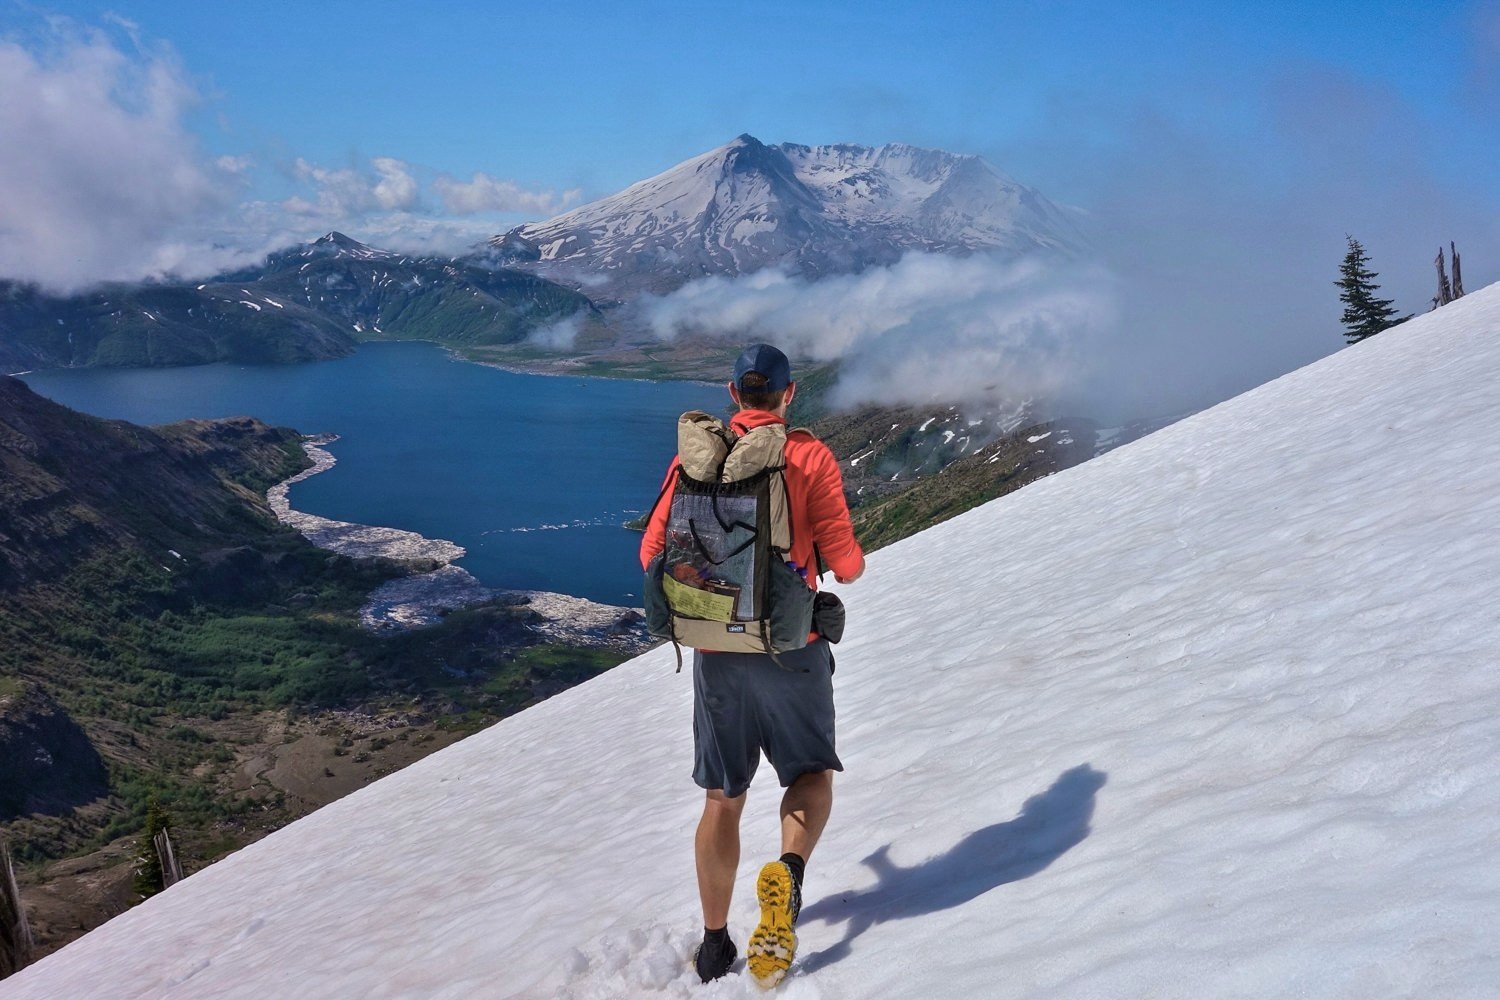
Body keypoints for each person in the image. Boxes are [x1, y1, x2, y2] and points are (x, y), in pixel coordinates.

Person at [639, 343, 866, 987]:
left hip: (715, 649)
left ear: (733, 393)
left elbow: (652, 554)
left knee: (722, 798)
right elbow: (845, 563)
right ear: (788, 395)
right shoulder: (808, 456)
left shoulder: (695, 460)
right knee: (811, 772)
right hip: (791, 649)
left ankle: (714, 944)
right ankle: (787, 879)